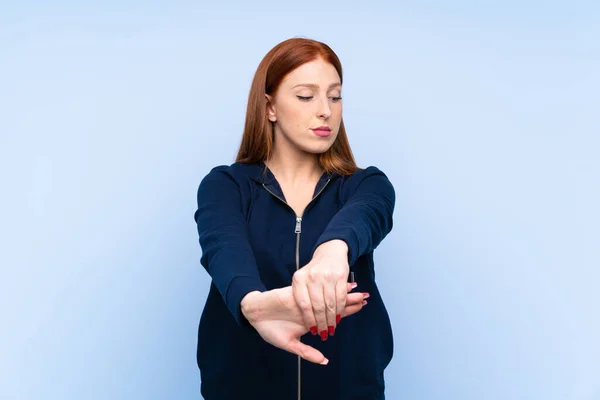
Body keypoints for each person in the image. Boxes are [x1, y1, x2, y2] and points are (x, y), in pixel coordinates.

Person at [193, 37, 396, 400]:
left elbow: (367, 216)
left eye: (335, 96)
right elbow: (223, 249)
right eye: (306, 96)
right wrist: (252, 306)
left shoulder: (366, 185)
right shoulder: (226, 185)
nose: (325, 111)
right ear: (270, 107)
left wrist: (332, 253)